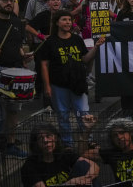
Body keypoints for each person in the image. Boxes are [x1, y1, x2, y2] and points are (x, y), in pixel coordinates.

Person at [41, 10, 105, 147]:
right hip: (58, 85)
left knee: (83, 113)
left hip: (78, 84)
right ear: (57, 22)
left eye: (69, 20)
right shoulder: (50, 42)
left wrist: (96, 47)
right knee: (63, 115)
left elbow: (85, 59)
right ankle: (67, 144)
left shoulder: (77, 39)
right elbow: (44, 64)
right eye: (64, 20)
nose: (67, 23)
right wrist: (47, 86)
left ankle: (88, 140)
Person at [0, 0, 30, 158]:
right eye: (4, 0)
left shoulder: (17, 23)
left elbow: (18, 45)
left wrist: (24, 56)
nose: (8, 3)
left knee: (13, 111)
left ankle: (11, 143)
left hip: (15, 71)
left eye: (11, 0)